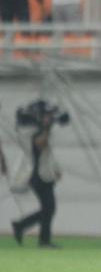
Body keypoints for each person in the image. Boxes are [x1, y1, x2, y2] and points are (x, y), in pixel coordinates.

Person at [10, 101, 65, 248]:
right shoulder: (37, 134)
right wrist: (48, 127)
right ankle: (41, 239)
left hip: (44, 176)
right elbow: (41, 143)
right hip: (38, 178)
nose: (50, 118)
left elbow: (48, 155)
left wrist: (56, 170)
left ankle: (22, 227)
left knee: (48, 209)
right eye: (47, 116)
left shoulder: (42, 132)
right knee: (49, 209)